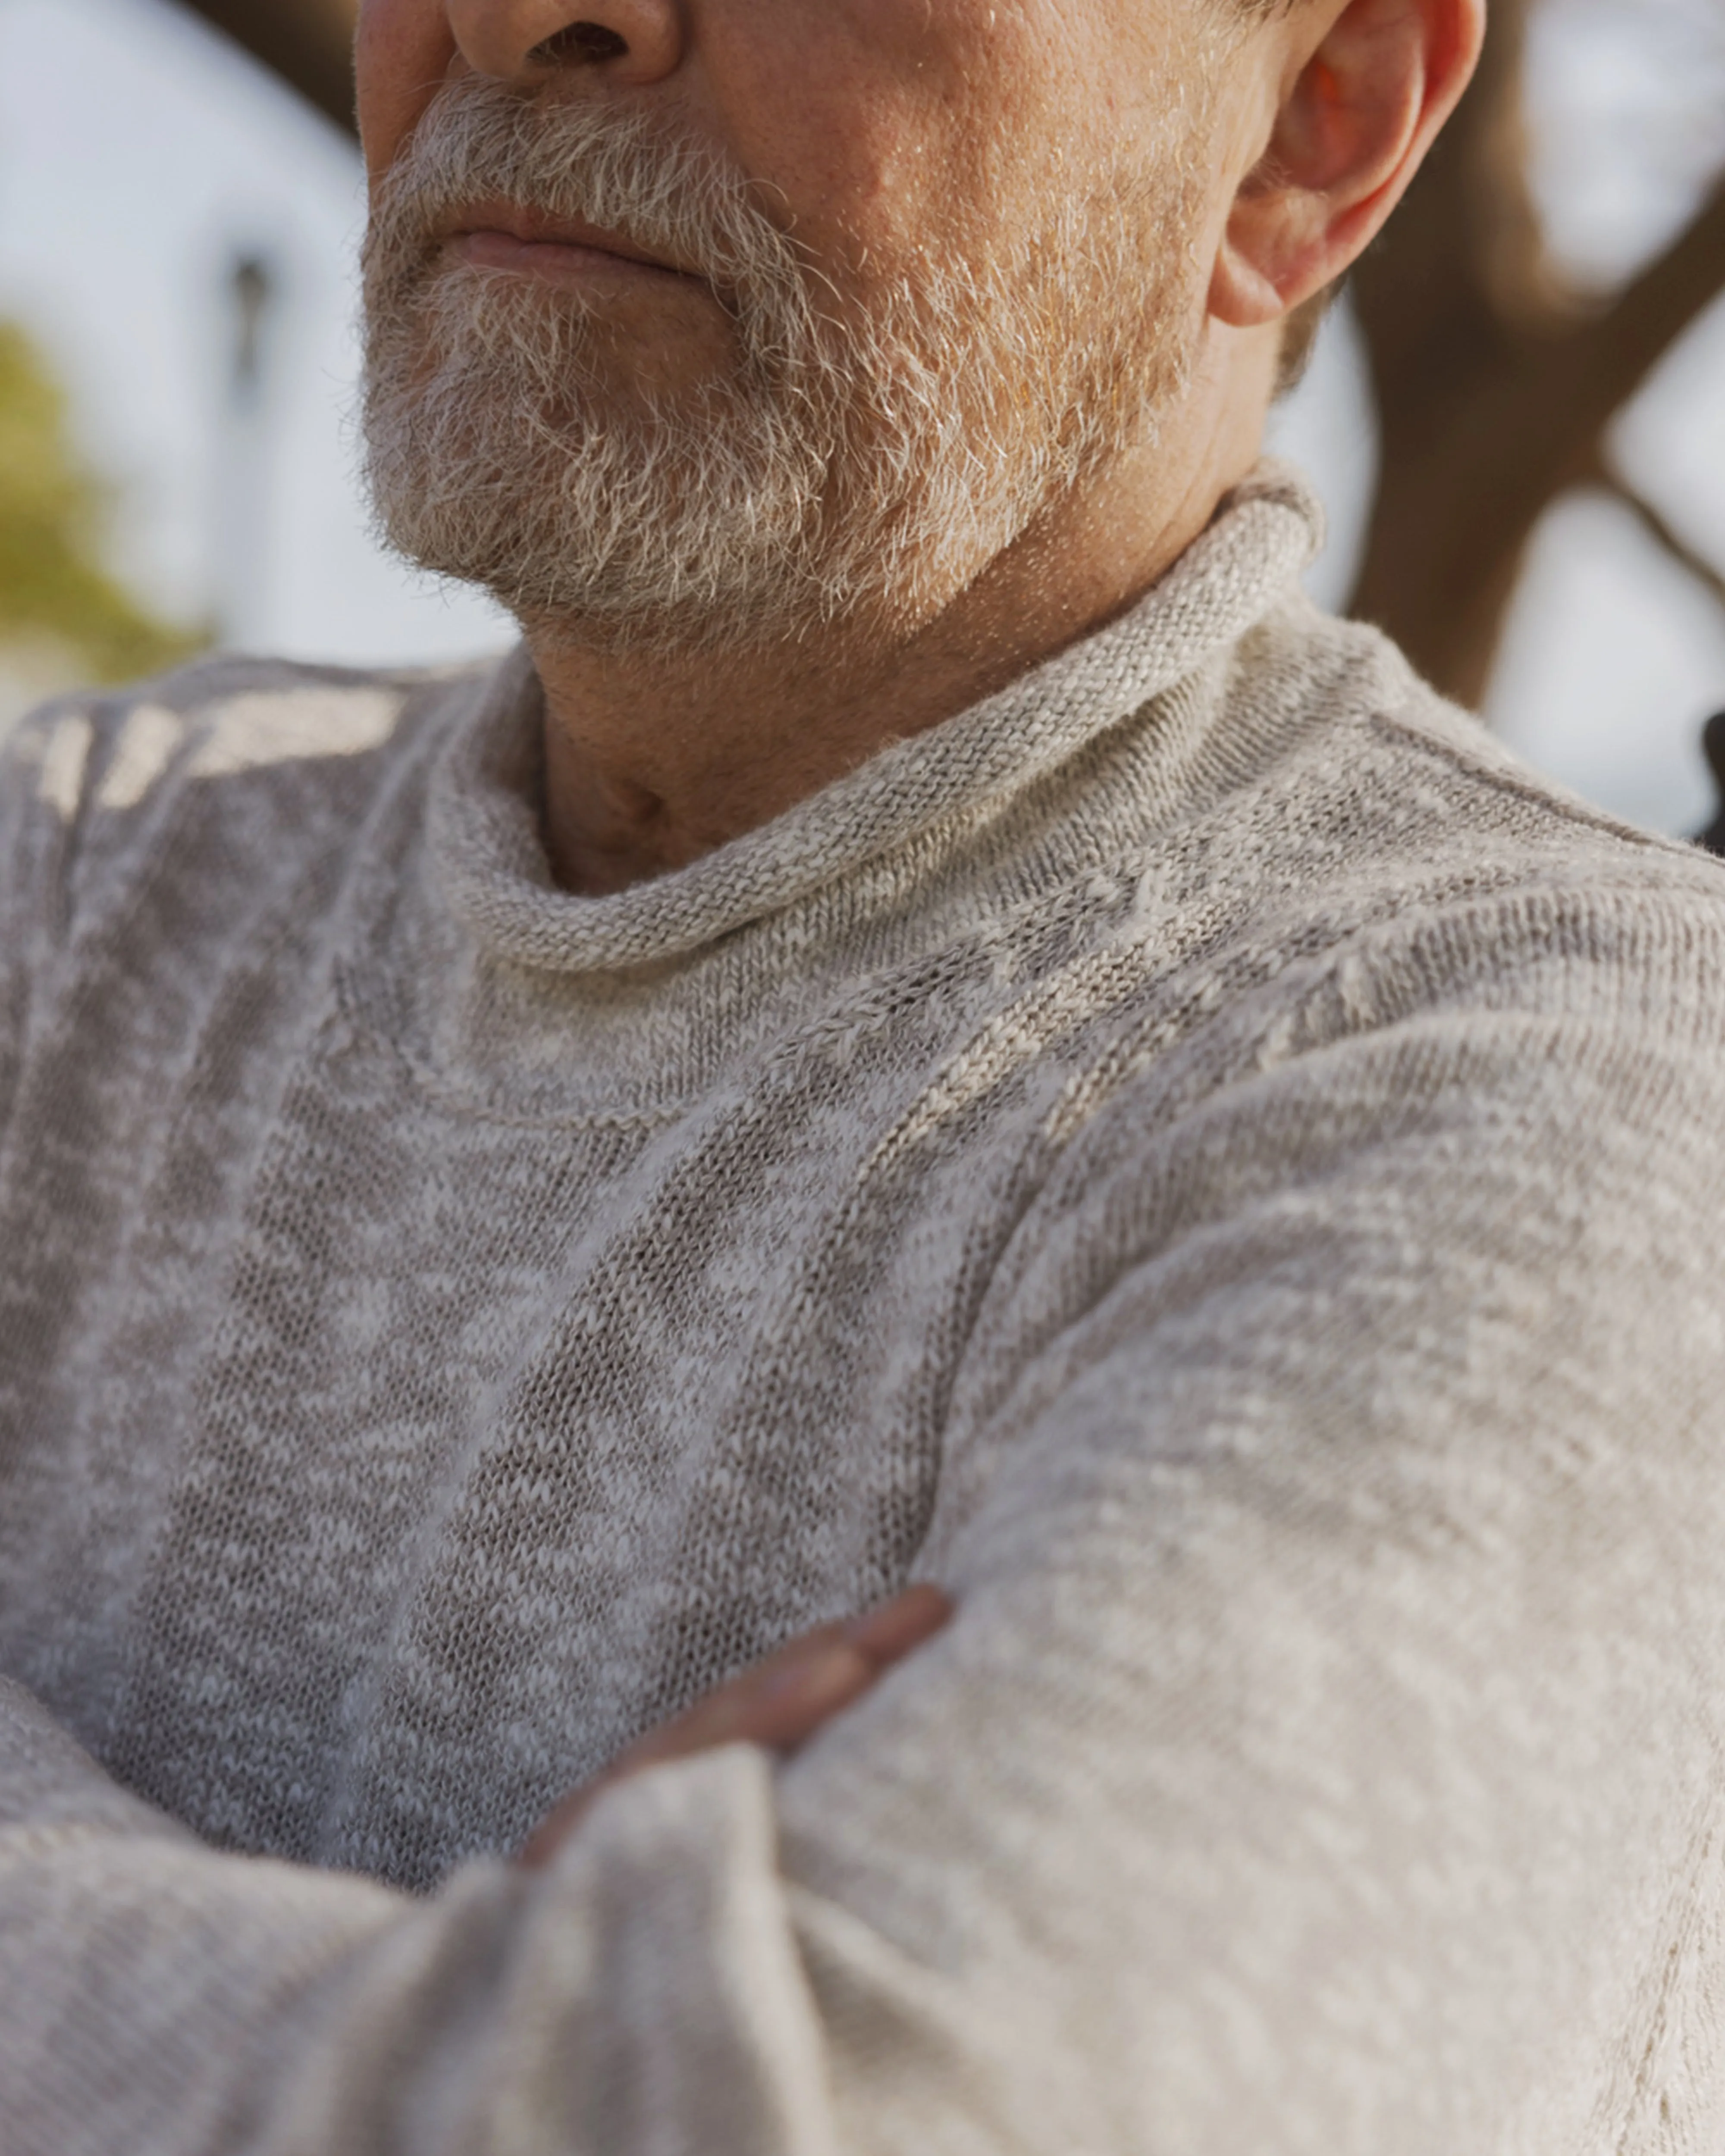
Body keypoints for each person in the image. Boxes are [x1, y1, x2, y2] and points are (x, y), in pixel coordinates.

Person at [4, 0, 1725, 2146]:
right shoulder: (63, 877)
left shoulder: (1559, 1090)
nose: (543, 15)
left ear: (1315, 123)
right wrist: (522, 2036)